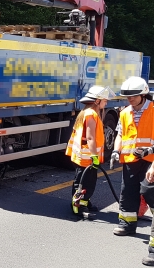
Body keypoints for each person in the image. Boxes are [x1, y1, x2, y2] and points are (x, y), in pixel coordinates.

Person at [111, 76, 154, 236]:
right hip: (130, 160)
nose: (130, 99)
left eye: (133, 96)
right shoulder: (124, 112)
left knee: (149, 192)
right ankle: (127, 225)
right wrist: (116, 151)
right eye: (128, 96)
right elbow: (120, 135)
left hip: (150, 160)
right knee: (128, 192)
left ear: (143, 94)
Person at [66, 85, 114, 218]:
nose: (106, 102)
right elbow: (90, 137)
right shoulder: (91, 115)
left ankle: (84, 202)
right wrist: (94, 156)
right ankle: (79, 206)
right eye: (105, 100)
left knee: (84, 180)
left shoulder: (85, 112)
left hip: (82, 155)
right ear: (97, 101)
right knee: (85, 182)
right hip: (87, 157)